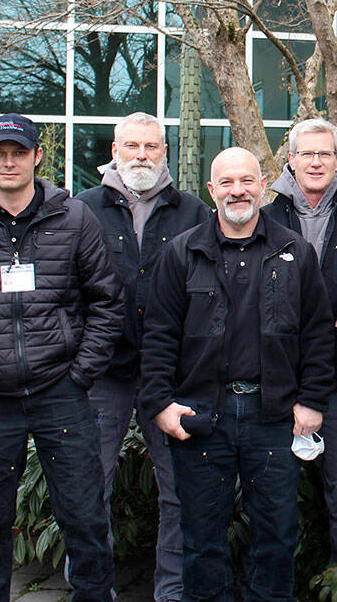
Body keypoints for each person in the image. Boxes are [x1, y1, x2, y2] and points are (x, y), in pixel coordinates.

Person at [0, 113, 123, 602]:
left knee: (85, 518)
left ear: (36, 156)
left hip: (61, 395)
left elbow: (106, 302)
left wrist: (80, 376)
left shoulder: (73, 218)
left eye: (18, 152)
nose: (8, 162)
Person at [139, 147, 334, 602]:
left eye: (246, 180)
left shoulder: (294, 251)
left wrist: (312, 402)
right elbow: (159, 336)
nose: (237, 191)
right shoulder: (182, 253)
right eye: (226, 182)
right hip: (203, 413)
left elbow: (318, 335)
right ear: (211, 190)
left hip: (274, 415)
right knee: (202, 539)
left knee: (277, 536)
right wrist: (161, 406)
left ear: (263, 186)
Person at [75, 112, 210, 602]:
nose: (141, 156)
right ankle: (92, 590)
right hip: (102, 374)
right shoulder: (82, 210)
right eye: (132, 146)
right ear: (115, 150)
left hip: (170, 377)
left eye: (151, 147)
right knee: (90, 490)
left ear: (165, 153)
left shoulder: (193, 212)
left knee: (179, 490)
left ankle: (172, 592)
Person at [262, 118, 337, 557]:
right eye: (306, 153)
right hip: (276, 382)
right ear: (290, 160)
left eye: (324, 153)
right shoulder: (264, 219)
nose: (315, 161)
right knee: (276, 498)